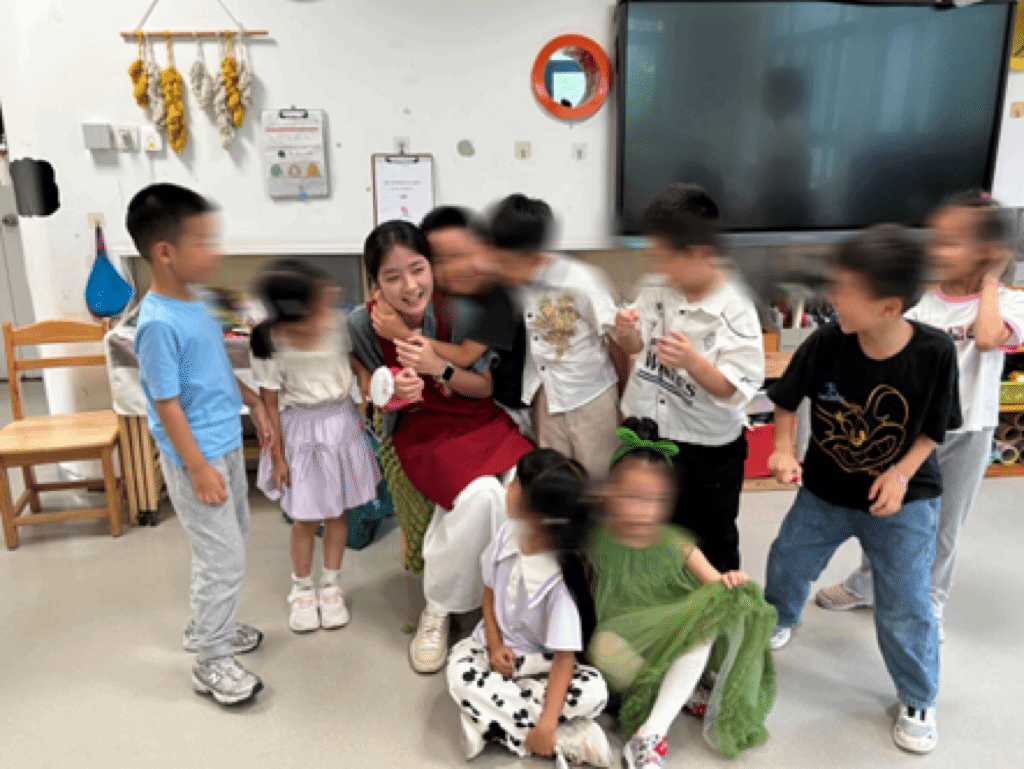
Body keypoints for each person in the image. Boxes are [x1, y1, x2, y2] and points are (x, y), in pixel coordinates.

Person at [763, 225, 962, 754]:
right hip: (824, 491)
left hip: (903, 499)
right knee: (788, 559)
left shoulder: (935, 351)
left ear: (888, 306)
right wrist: (782, 448)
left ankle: (918, 696)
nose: (831, 297)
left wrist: (899, 474)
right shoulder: (827, 341)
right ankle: (779, 615)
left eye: (844, 289)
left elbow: (934, 430)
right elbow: (786, 399)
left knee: (906, 602)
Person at [815, 192, 1024, 642]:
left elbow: (987, 338)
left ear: (987, 251)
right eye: (936, 239)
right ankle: (867, 583)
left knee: (944, 525)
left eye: (951, 242)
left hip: (968, 433)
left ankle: (931, 599)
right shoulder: (923, 301)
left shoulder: (1007, 302)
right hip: (911, 432)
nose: (936, 250)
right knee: (883, 508)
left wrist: (991, 279)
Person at [347, 220, 534, 675]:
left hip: (478, 420)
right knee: (484, 496)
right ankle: (439, 606)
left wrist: (438, 367)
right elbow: (369, 392)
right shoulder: (361, 324)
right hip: (422, 432)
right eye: (392, 277)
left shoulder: (461, 312)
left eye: (418, 269)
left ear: (430, 267)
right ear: (375, 284)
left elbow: (484, 388)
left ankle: (513, 605)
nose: (410, 286)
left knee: (532, 485)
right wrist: (392, 392)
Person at [127, 183, 274, 706]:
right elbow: (166, 403)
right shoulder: (157, 324)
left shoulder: (197, 302)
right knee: (222, 557)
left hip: (224, 440)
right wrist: (197, 467)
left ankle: (209, 626)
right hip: (198, 455)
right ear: (165, 252)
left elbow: (213, 368)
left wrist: (253, 402)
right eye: (203, 242)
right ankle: (210, 658)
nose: (215, 252)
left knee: (231, 540)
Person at [588, 418, 776, 769]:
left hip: (668, 634)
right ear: (610, 494)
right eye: (631, 497)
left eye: (656, 500)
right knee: (603, 648)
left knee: (704, 630)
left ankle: (650, 734)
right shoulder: (596, 541)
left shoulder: (675, 543)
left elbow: (716, 586)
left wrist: (732, 578)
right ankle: (676, 689)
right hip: (623, 642)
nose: (643, 511)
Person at [614, 184, 764, 572]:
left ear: (698, 253)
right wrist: (626, 330)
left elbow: (735, 388)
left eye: (665, 259)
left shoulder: (734, 308)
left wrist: (693, 363)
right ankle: (660, 593)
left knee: (709, 536)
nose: (659, 269)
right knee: (653, 528)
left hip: (706, 451)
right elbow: (633, 345)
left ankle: (716, 601)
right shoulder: (656, 288)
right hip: (650, 432)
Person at [447, 449, 612, 767]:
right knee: (458, 672)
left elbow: (563, 660)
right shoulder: (506, 536)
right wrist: (494, 644)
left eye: (514, 484)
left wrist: (547, 725)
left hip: (544, 666)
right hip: (493, 652)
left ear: (535, 512)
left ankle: (491, 726)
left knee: (594, 691)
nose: (507, 488)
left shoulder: (559, 583)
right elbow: (489, 593)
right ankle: (564, 736)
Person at [249, 259, 381, 633]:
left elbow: (347, 357)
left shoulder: (336, 322)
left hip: (341, 424)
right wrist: (278, 458)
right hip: (301, 431)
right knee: (305, 516)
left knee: (338, 512)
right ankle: (302, 587)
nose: (329, 300)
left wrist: (362, 374)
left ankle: (331, 584)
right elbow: (269, 404)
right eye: (318, 298)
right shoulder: (270, 341)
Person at [490, 194, 622, 478]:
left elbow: (617, 341)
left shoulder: (582, 281)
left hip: (591, 399)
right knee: (554, 480)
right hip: (546, 399)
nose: (501, 269)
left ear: (537, 257)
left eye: (507, 262)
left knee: (597, 478)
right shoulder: (517, 283)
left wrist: (623, 401)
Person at [370, 205, 532, 435]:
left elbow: (464, 356)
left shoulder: (500, 300)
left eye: (460, 256)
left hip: (516, 406)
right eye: (438, 260)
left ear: (483, 250)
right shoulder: (442, 293)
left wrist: (403, 334)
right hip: (468, 407)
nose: (451, 268)